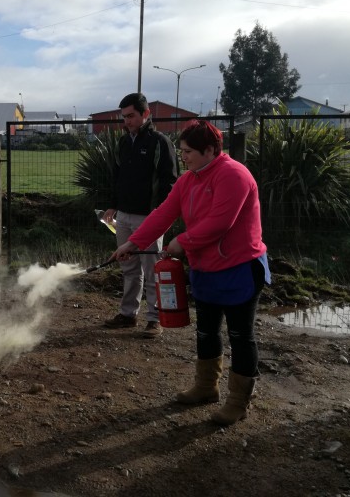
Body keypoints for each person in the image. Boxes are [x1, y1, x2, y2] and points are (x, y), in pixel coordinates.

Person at [111, 119, 270, 425]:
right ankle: (206, 387)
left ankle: (238, 402)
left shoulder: (234, 175)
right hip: (205, 269)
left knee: (240, 335)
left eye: (188, 152)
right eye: (182, 151)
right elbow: (163, 214)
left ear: (209, 150)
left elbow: (220, 222)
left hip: (239, 269)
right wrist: (133, 242)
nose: (183, 157)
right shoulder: (189, 180)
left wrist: (181, 241)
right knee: (206, 330)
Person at [101, 92, 178, 338]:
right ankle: (128, 314)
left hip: (150, 218)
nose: (127, 121)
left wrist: (159, 214)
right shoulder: (124, 143)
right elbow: (118, 177)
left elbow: (170, 182)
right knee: (128, 267)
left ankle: (155, 319)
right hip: (123, 215)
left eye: (131, 116)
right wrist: (113, 205)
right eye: (124, 117)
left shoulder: (160, 143)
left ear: (146, 114)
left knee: (153, 268)